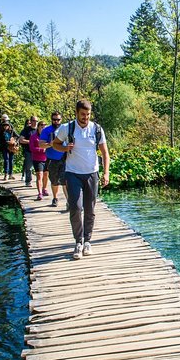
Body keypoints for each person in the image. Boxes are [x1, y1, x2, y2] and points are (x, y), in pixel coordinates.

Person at [52, 100, 110, 259]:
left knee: (90, 210)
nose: (85, 117)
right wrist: (64, 148)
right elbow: (54, 144)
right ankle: (78, 242)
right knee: (76, 208)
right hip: (73, 173)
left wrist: (106, 173)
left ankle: (87, 242)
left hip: (91, 173)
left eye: (88, 114)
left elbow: (105, 153)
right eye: (83, 114)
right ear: (76, 113)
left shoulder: (97, 129)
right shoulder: (67, 128)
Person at [39, 111, 66, 207]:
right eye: (54, 120)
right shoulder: (46, 130)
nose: (56, 122)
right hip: (52, 159)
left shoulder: (65, 129)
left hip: (64, 158)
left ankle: (69, 202)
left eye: (58, 120)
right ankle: (55, 198)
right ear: (51, 120)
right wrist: (50, 144)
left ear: (61, 120)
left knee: (65, 181)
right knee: (54, 181)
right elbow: (40, 144)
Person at [29, 120, 49, 201]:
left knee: (46, 175)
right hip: (37, 159)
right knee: (39, 175)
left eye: (44, 126)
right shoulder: (33, 137)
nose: (43, 128)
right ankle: (39, 193)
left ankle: (44, 189)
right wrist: (41, 149)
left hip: (46, 158)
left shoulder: (48, 136)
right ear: (38, 127)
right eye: (41, 126)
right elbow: (31, 148)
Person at [19, 116, 37, 186]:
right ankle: (28, 181)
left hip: (38, 152)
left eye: (36, 121)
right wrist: (31, 142)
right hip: (29, 151)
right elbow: (21, 140)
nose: (35, 122)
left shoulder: (39, 130)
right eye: (33, 120)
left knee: (39, 169)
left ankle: (40, 183)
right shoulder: (26, 130)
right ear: (31, 121)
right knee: (28, 167)